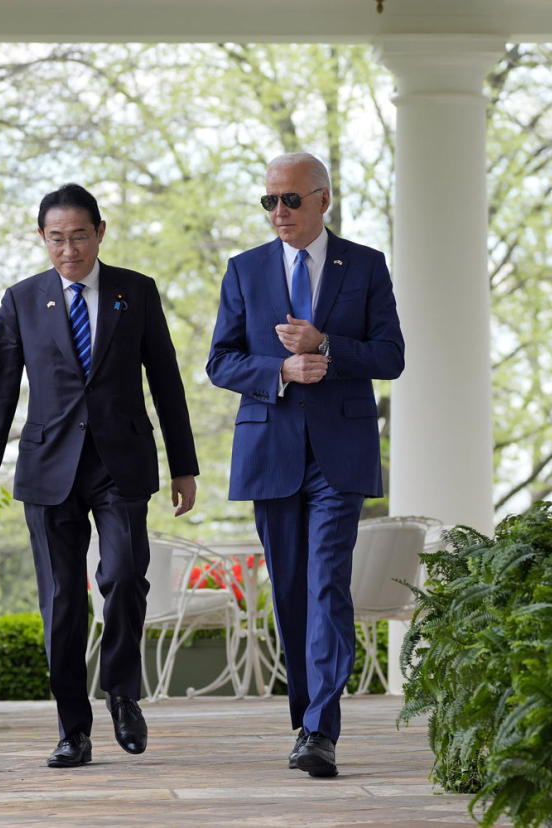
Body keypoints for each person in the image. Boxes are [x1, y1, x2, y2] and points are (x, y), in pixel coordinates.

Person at [0, 183, 198, 768]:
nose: (68, 249)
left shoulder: (136, 292)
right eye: (56, 239)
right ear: (41, 238)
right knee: (62, 601)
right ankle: (74, 729)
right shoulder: (23, 300)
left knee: (124, 576)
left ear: (100, 231)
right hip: (48, 469)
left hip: (120, 463)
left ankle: (122, 692)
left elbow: (166, 381)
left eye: (78, 236)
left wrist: (184, 464)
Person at [206, 152, 405, 777]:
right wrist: (280, 370)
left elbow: (391, 356)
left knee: (326, 586)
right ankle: (307, 718)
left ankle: (321, 730)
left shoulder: (366, 266)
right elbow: (220, 362)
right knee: (290, 590)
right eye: (269, 201)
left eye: (290, 200)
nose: (278, 213)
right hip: (271, 451)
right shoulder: (245, 270)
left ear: (323, 200)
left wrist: (326, 347)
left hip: (339, 457)